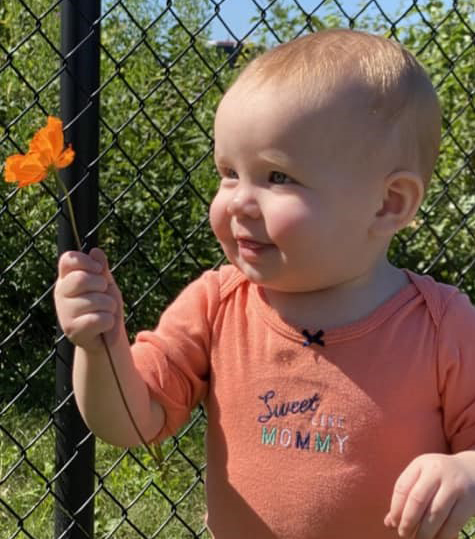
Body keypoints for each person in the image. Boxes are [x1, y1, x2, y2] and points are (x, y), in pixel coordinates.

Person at [53, 28, 475, 539]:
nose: (237, 202)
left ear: (388, 204)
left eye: (277, 177)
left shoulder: (443, 326)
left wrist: (466, 471)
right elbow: (131, 421)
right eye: (229, 172)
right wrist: (99, 348)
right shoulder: (216, 305)